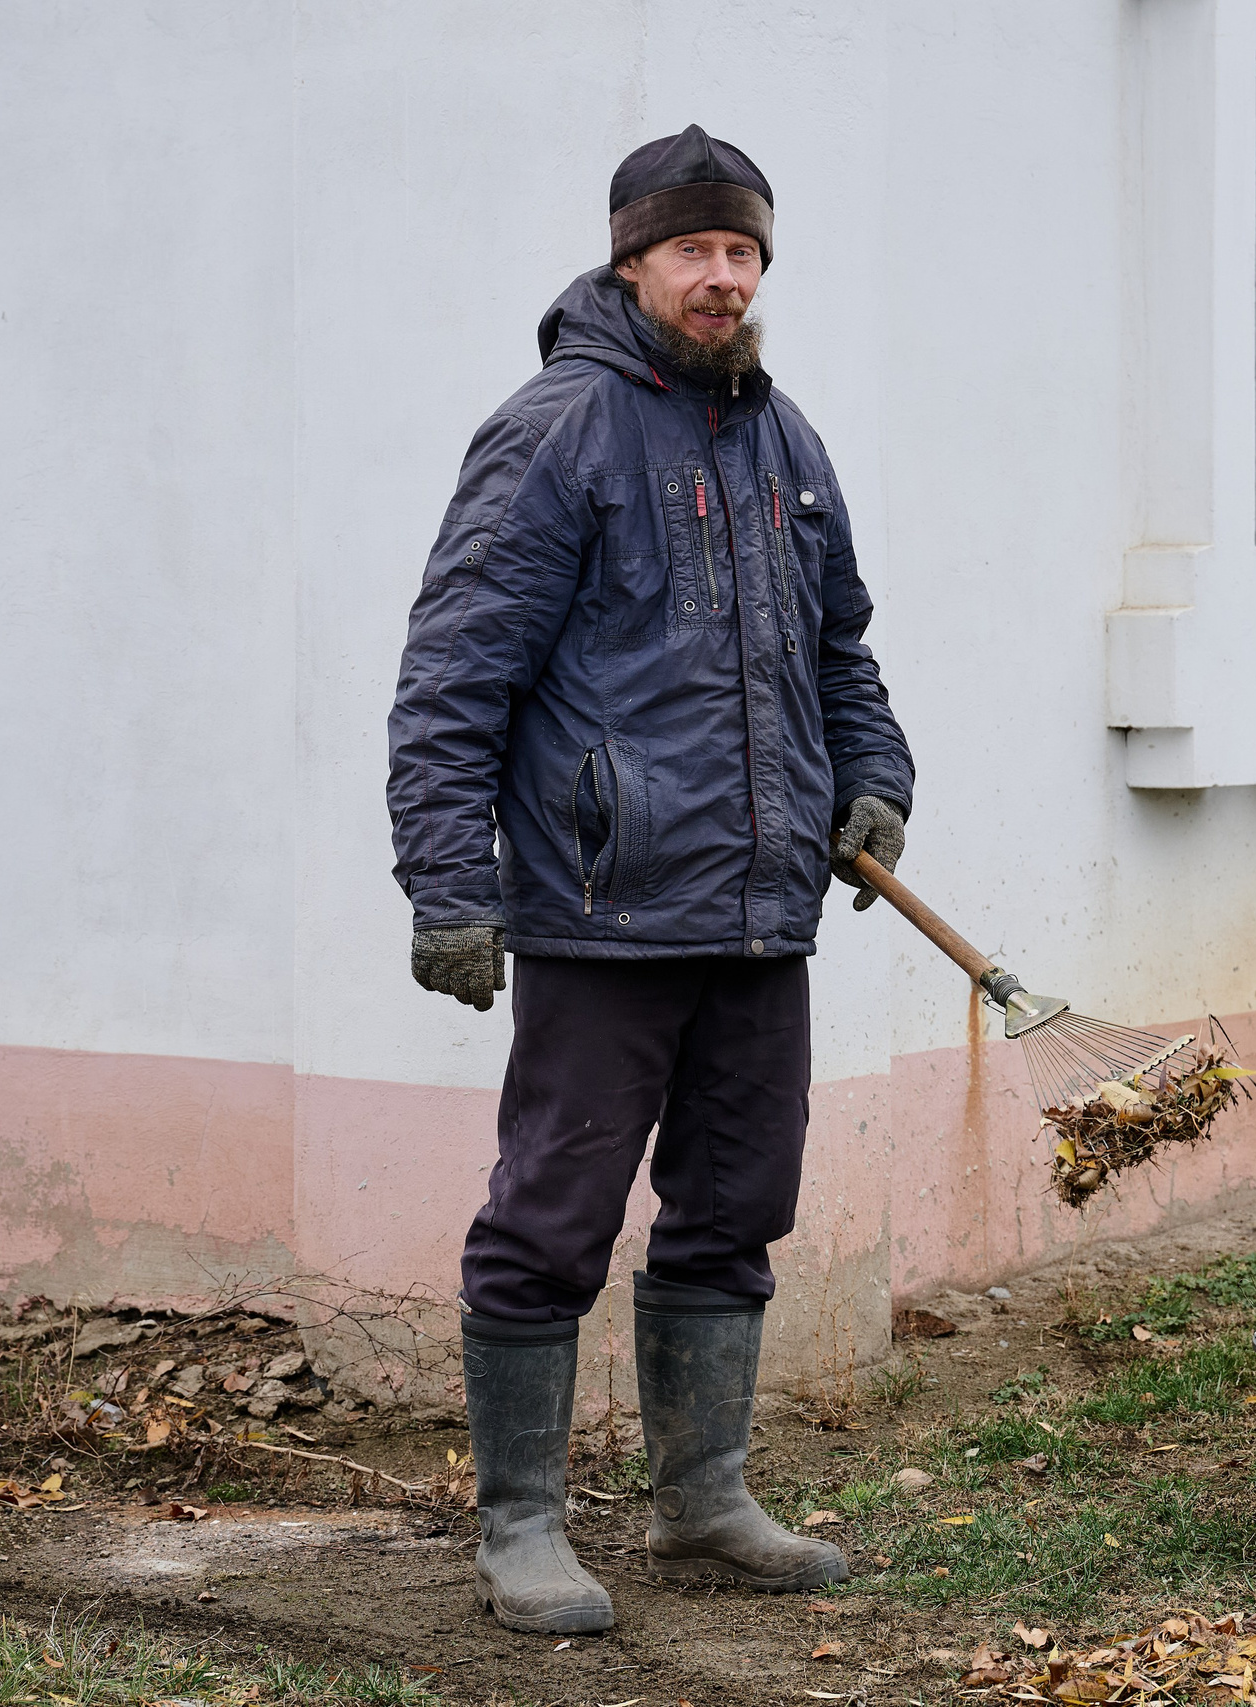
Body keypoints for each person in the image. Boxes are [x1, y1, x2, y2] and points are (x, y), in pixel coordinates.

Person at [385, 123, 914, 1636]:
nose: (723, 278)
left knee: (736, 1204)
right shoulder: (557, 431)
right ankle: (523, 1527)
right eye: (696, 251)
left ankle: (704, 1499)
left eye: (743, 253)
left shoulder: (785, 439)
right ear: (632, 261)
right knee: (554, 1212)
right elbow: (453, 676)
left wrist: (876, 780)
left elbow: (839, 649)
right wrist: (448, 882)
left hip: (760, 910)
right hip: (601, 910)